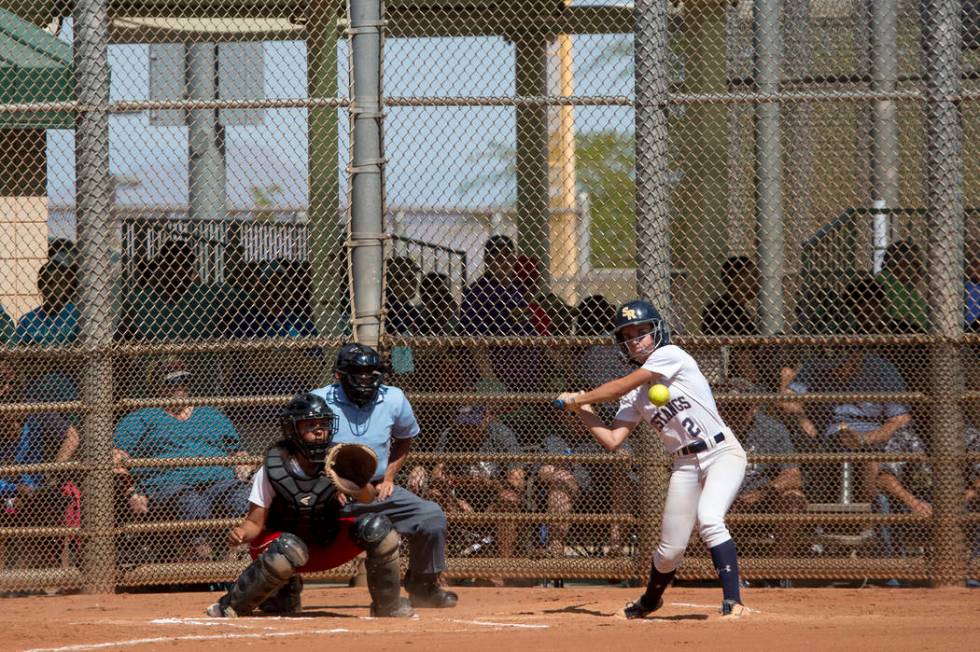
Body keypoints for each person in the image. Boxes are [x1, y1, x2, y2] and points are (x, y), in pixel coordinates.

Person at [556, 299, 748, 618]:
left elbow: (617, 388)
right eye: (629, 335)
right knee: (670, 549)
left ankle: (734, 601)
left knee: (710, 519)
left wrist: (580, 397)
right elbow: (613, 440)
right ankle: (649, 600)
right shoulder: (637, 396)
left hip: (722, 452)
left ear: (657, 332)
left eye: (643, 332)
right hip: (684, 463)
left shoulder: (670, 356)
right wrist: (584, 412)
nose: (636, 340)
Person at [207, 393, 414, 618]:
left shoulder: (336, 459)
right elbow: (255, 522)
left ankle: (389, 606)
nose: (319, 431)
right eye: (311, 425)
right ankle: (230, 605)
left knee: (379, 529)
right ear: (292, 430)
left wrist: (356, 480)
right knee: (289, 547)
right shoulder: (274, 469)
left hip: (326, 542)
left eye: (324, 425)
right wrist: (241, 533)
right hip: (283, 550)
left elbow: (368, 498)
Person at [311, 343, 458, 608]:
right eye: (358, 372)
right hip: (332, 492)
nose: (365, 378)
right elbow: (303, 447)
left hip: (377, 488)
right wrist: (327, 486)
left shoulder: (393, 398)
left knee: (431, 516)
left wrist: (389, 477)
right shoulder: (319, 399)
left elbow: (405, 438)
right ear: (339, 375)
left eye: (371, 372)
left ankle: (423, 585)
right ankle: (282, 587)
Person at [112, 357, 252, 561]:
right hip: (168, 486)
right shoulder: (141, 417)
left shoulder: (211, 414)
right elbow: (116, 458)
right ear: (156, 386)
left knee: (242, 497)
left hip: (218, 482)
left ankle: (237, 562)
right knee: (192, 503)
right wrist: (132, 491)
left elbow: (238, 453)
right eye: (171, 382)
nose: (178, 387)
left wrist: (243, 466)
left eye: (183, 381)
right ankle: (199, 563)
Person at [406, 404, 525, 560]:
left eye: (474, 424)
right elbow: (437, 476)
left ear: (487, 417)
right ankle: (442, 566)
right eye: (464, 424)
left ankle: (503, 566)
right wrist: (459, 489)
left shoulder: (501, 434)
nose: (468, 429)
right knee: (434, 495)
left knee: (509, 499)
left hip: (495, 502)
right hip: (458, 502)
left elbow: (517, 480)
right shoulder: (450, 436)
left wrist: (491, 484)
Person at [718, 378, 806, 559]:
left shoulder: (771, 429)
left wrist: (764, 492)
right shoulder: (708, 430)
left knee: (793, 500)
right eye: (730, 408)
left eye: (743, 408)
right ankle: (713, 574)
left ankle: (776, 571)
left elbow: (793, 475)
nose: (736, 414)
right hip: (718, 501)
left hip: (759, 501)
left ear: (754, 407)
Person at [700, 256, 764, 386]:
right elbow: (741, 354)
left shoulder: (735, 308)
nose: (758, 280)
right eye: (752, 275)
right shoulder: (727, 310)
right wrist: (758, 384)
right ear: (736, 280)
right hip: (735, 376)